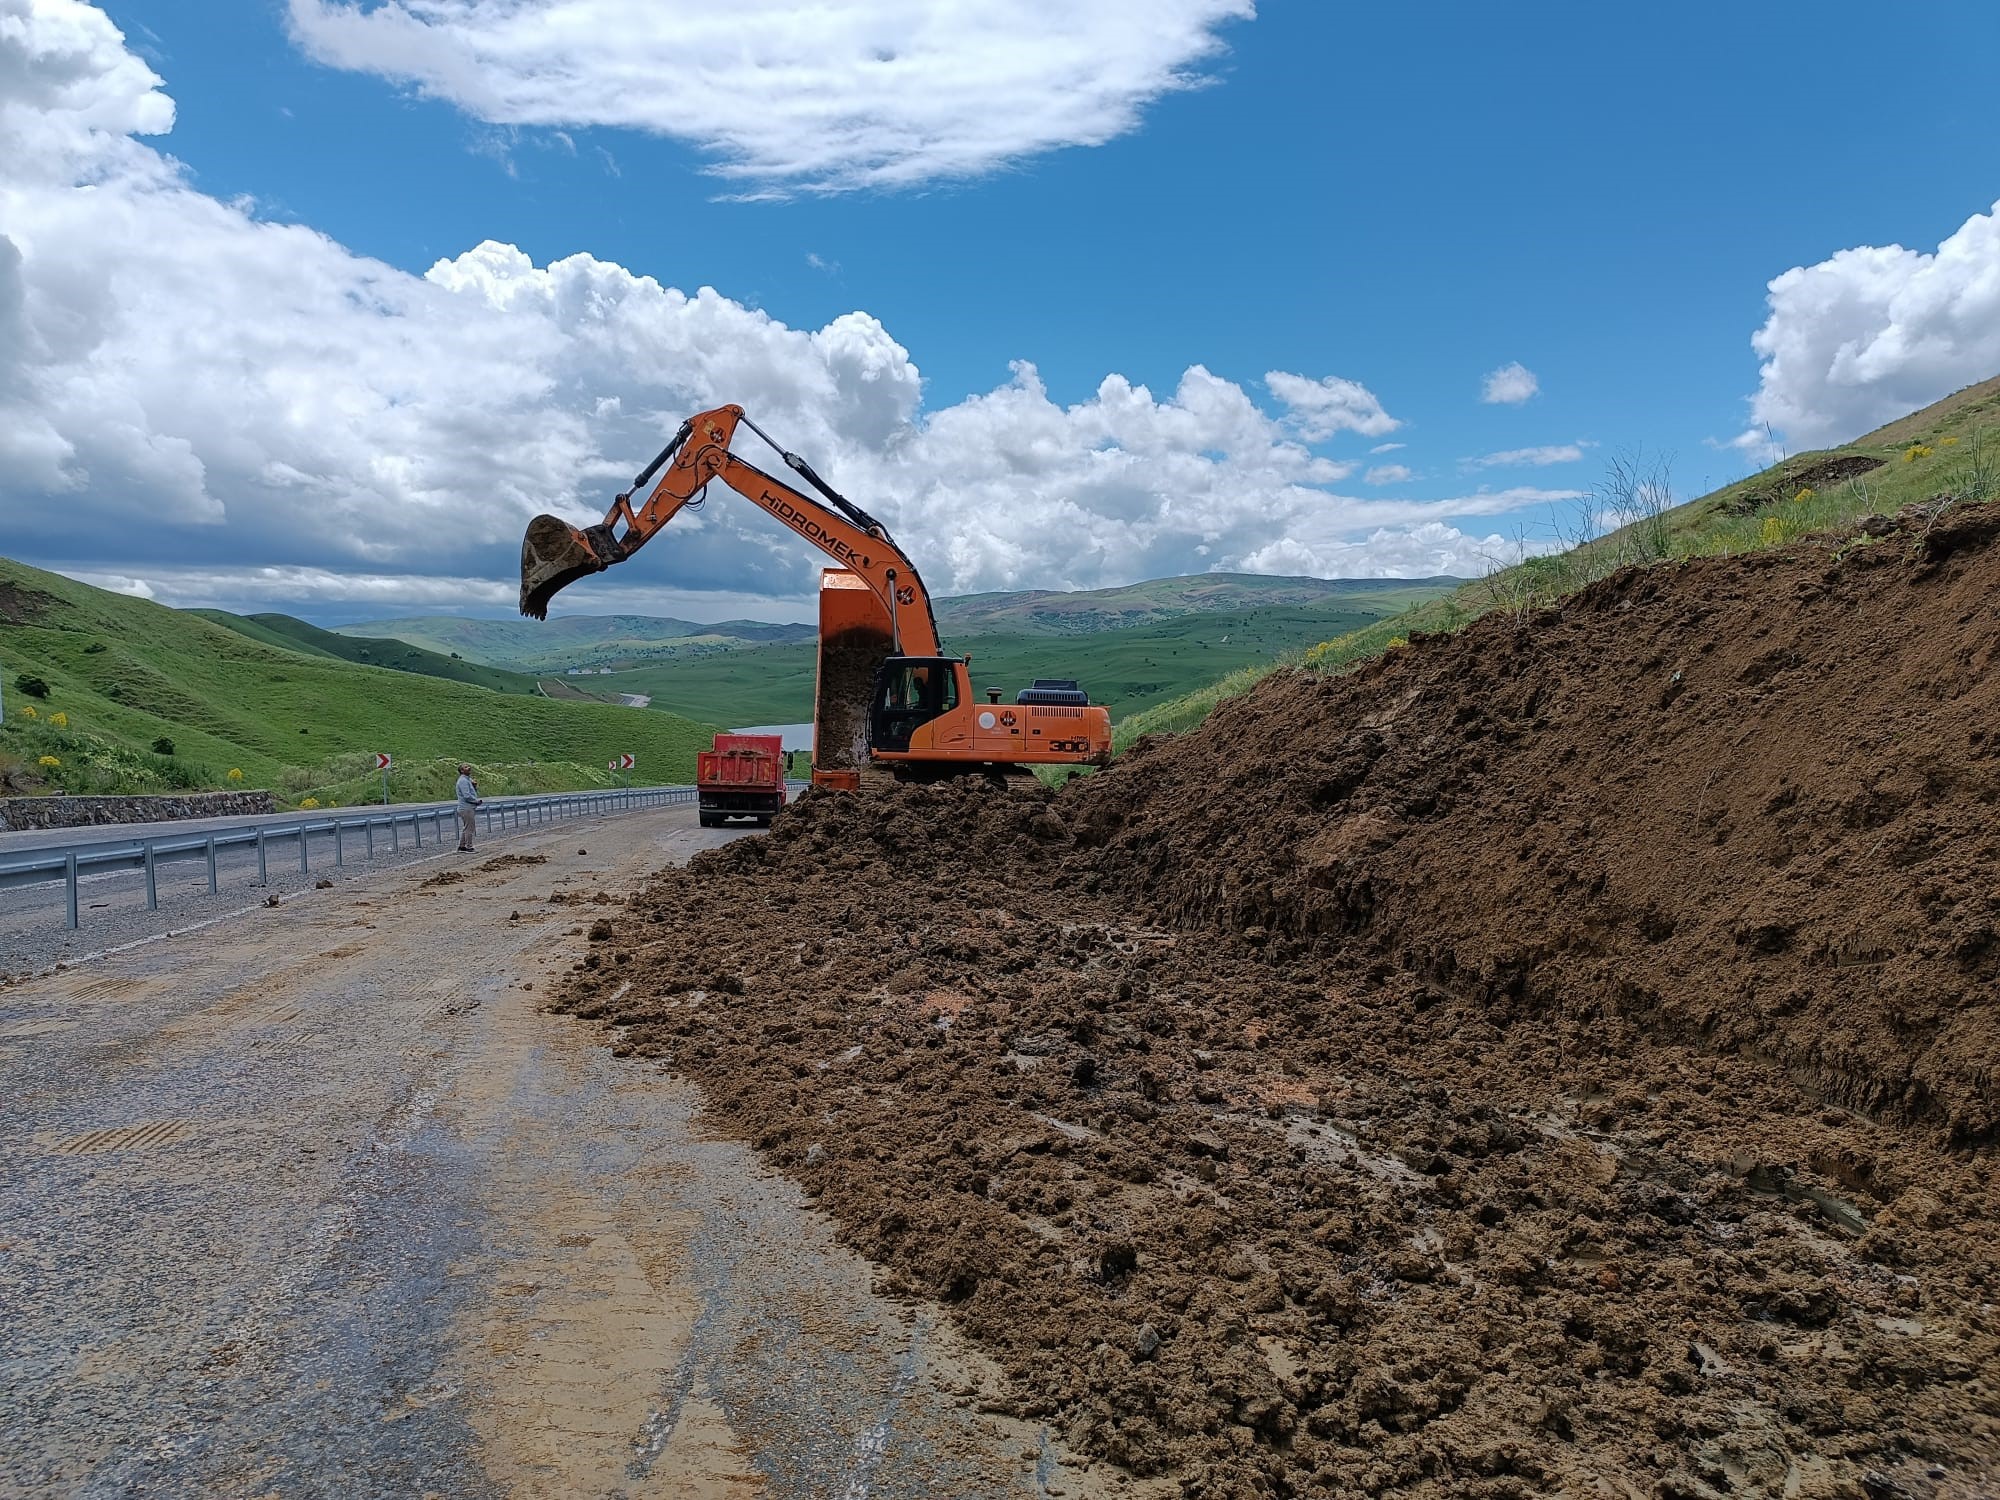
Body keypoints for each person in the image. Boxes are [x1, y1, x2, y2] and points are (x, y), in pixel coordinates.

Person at [454, 763, 482, 851]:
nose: (469, 768)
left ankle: (462, 846)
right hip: (466, 808)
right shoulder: (463, 781)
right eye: (466, 767)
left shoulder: (467, 780)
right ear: (462, 771)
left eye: (468, 766)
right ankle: (469, 847)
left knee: (467, 827)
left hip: (467, 807)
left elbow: (472, 792)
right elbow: (467, 796)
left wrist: (474, 786)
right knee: (470, 828)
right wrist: (476, 801)